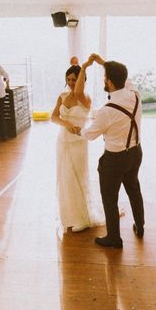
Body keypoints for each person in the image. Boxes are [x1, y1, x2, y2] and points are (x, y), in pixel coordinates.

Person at [73, 54, 145, 249]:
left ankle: (114, 238)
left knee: (109, 198)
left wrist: (77, 129)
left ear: (110, 82)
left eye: (105, 78)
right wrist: (104, 63)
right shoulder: (135, 94)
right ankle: (140, 225)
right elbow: (125, 78)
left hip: (114, 160)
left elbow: (90, 134)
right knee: (134, 189)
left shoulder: (106, 111)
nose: (104, 80)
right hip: (135, 153)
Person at [51, 64, 104, 233]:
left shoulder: (85, 98)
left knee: (78, 177)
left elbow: (78, 92)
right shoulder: (62, 95)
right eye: (68, 79)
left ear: (82, 80)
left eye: (74, 79)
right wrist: (65, 123)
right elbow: (53, 116)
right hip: (62, 142)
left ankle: (82, 216)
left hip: (78, 143)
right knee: (65, 178)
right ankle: (68, 216)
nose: (71, 82)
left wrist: (85, 67)